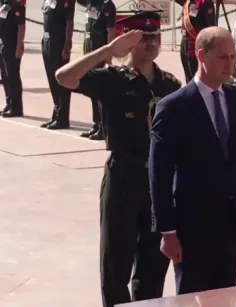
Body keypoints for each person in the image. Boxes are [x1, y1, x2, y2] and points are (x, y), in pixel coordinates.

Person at [55, 12, 181, 307]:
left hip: (158, 183)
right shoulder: (111, 79)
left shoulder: (170, 85)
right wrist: (108, 51)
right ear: (129, 40)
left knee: (153, 266)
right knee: (116, 263)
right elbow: (64, 77)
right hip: (123, 176)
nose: (151, 43)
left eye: (155, 37)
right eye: (143, 37)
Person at [148, 26, 236, 295]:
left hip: (232, 226)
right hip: (191, 228)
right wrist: (167, 231)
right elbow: (159, 173)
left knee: (225, 296)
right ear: (201, 55)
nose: (230, 64)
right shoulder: (174, 107)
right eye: (223, 57)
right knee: (192, 297)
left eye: (233, 57)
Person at [80, 0, 116, 140]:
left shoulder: (106, 5)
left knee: (100, 90)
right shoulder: (91, 4)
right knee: (92, 89)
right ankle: (96, 123)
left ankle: (103, 127)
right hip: (89, 49)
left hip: (99, 50)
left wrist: (108, 55)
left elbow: (110, 31)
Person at [41, 0, 75, 129]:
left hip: (58, 44)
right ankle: (56, 114)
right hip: (47, 41)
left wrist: (66, 46)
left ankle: (62, 118)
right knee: (52, 81)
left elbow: (69, 23)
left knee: (61, 81)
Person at [179, 0, 215, 83]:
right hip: (185, 42)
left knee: (197, 78)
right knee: (188, 77)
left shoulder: (206, 2)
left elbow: (209, 28)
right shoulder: (188, 1)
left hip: (196, 44)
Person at [0, 0, 26, 117]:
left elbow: (21, 27)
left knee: (13, 76)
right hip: (3, 44)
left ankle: (16, 108)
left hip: (13, 45)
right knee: (5, 76)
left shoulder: (17, 4)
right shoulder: (3, 3)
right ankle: (9, 103)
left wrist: (19, 47)